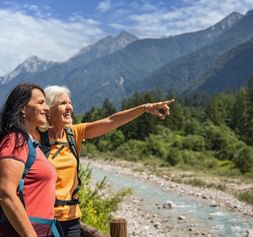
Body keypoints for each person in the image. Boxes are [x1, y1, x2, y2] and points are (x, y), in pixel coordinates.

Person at [36, 85, 175, 237]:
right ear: (48, 110)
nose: (69, 107)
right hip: (43, 219)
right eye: (62, 103)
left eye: (69, 102)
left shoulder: (74, 134)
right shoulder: (35, 138)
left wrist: (145, 108)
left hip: (71, 220)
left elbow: (111, 121)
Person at [0, 83, 60, 237]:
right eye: (41, 102)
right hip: (24, 230)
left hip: (38, 229)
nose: (47, 108)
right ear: (23, 108)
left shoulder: (31, 143)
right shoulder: (15, 140)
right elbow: (5, 193)